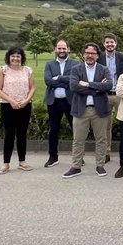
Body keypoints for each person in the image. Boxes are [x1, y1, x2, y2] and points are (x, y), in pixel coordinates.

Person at [63, 42, 113, 178]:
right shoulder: (76, 69)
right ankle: (76, 166)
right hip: (81, 110)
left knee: (101, 139)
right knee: (78, 139)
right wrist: (97, 88)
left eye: (93, 53)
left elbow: (108, 85)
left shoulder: (104, 69)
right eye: (87, 53)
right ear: (83, 54)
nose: (90, 55)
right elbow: (74, 86)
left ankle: (100, 165)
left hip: (99, 110)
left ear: (97, 55)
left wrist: (88, 84)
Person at [0, 47, 35, 174]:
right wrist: (11, 100)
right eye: (13, 56)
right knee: (9, 134)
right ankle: (6, 163)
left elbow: (32, 87)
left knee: (22, 134)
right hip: (7, 105)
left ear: (22, 58)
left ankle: (22, 161)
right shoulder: (3, 70)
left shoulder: (27, 70)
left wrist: (27, 100)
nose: (15, 58)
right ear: (9, 57)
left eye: (18, 56)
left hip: (24, 106)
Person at [43, 39, 80, 167]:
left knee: (76, 129)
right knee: (53, 130)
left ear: (68, 49)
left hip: (70, 101)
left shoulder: (76, 64)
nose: (62, 51)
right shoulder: (49, 64)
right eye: (59, 48)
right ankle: (53, 157)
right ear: (55, 49)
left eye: (64, 48)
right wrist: (66, 83)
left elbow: (75, 80)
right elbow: (48, 81)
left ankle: (79, 156)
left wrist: (58, 78)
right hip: (53, 102)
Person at [98, 33, 123, 163]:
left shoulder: (122, 57)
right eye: (107, 42)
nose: (110, 44)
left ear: (115, 43)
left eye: (112, 42)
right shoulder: (99, 57)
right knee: (105, 126)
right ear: (104, 44)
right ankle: (106, 152)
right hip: (104, 95)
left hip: (119, 95)